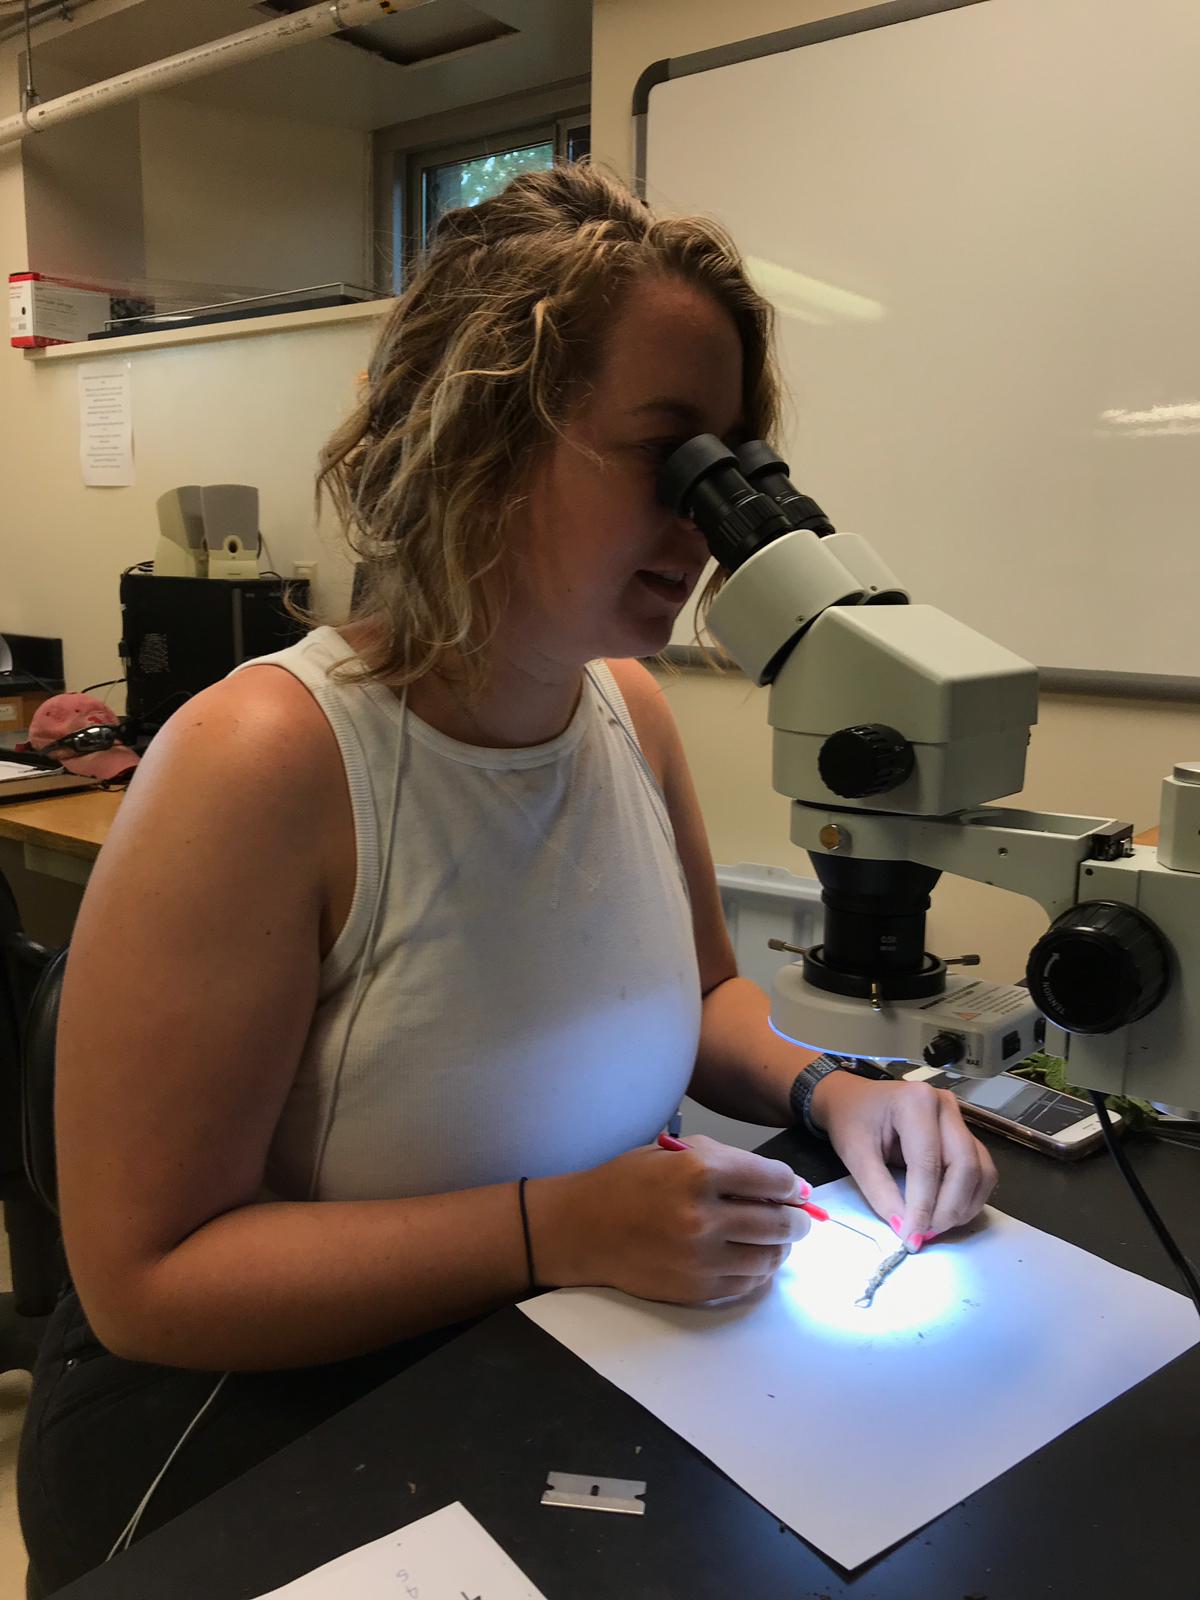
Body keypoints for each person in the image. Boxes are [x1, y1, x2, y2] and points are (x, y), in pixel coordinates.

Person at [18, 163, 996, 1591]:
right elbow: (147, 1280)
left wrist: (834, 1089)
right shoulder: (264, 766)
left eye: (731, 467)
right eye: (667, 457)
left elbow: (709, 990)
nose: (706, 529)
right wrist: (555, 1227)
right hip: (264, 1417)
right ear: (483, 438)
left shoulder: (627, 713)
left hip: (557, 1343)